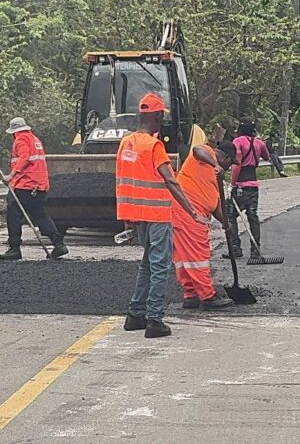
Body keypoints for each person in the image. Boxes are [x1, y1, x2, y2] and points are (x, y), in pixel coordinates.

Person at [117, 93, 203, 339]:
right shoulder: (154, 146)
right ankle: (154, 319)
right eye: (161, 116)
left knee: (147, 263)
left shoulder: (126, 143)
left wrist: (126, 218)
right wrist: (192, 212)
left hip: (137, 214)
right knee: (160, 266)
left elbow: (124, 182)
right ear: (157, 116)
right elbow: (171, 182)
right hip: (156, 214)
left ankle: (135, 314)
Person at [171, 137, 235, 311]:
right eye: (230, 164)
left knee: (184, 258)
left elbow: (215, 206)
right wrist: (216, 165)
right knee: (197, 257)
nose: (229, 169)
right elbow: (196, 151)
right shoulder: (206, 152)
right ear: (226, 159)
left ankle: (190, 295)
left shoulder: (215, 178)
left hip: (187, 214)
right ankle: (207, 296)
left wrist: (226, 224)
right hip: (189, 214)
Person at [0, 117, 68, 260]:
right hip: (39, 185)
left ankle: (14, 248)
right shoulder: (34, 139)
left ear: (14, 132)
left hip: (25, 184)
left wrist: (11, 175)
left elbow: (24, 158)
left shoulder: (21, 140)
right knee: (40, 215)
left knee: (13, 214)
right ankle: (58, 243)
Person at [225, 120, 285, 259]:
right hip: (253, 186)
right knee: (253, 216)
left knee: (230, 216)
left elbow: (237, 164)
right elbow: (266, 156)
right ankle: (255, 249)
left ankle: (235, 248)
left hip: (240, 184)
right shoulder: (259, 143)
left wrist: (232, 184)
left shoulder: (238, 142)